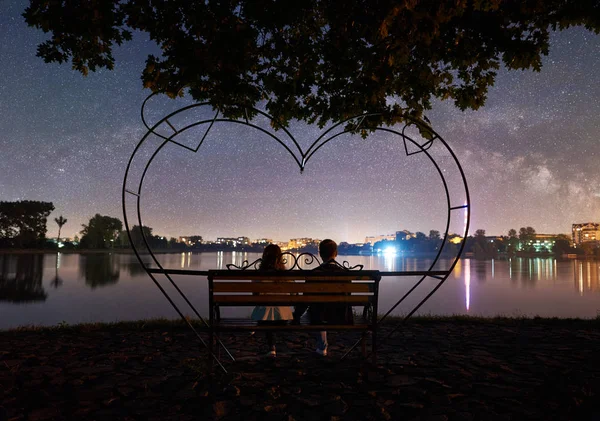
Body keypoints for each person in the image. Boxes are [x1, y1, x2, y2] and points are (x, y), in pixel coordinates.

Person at [294, 239, 353, 356]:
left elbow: (305, 300)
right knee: (322, 310)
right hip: (341, 317)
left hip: (318, 318)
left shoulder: (314, 274)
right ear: (335, 253)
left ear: (320, 254)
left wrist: (296, 316)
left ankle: (322, 347)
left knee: (316, 311)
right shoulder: (345, 274)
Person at [250, 244, 293, 357]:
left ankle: (271, 347)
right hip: (284, 317)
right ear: (280, 257)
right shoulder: (286, 275)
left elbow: (255, 295)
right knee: (273, 312)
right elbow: (293, 294)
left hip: (264, 317)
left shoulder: (259, 275)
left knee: (266, 313)